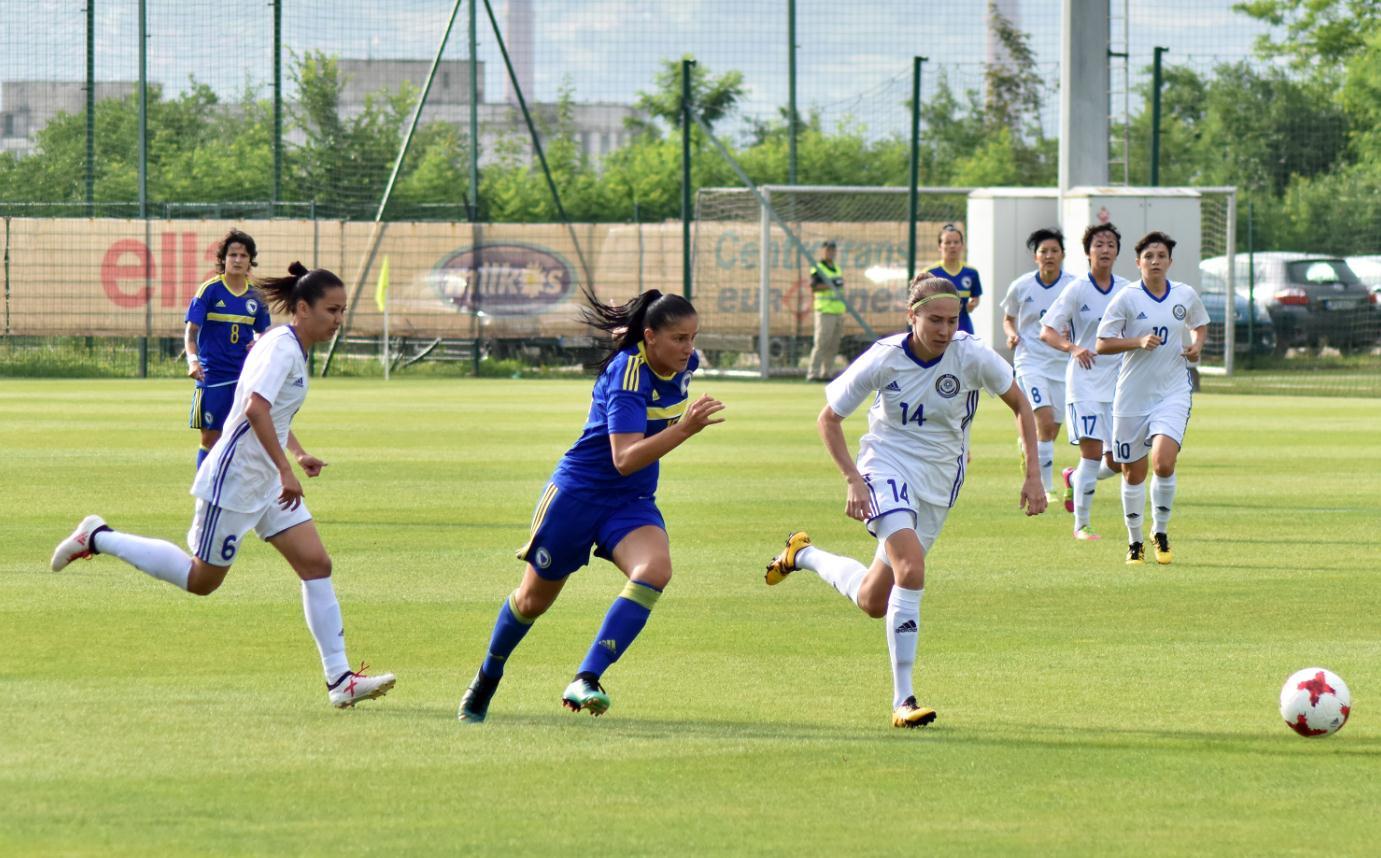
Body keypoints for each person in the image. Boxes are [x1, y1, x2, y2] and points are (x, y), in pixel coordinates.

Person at [51, 262, 396, 709]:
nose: (338, 320)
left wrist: (297, 454)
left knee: (316, 564)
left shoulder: (290, 345)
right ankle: (98, 536)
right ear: (303, 308)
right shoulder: (282, 349)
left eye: (343, 310)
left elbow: (269, 411)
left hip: (267, 479)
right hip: (236, 477)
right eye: (332, 310)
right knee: (201, 580)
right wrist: (287, 470)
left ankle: (340, 681)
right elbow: (254, 408)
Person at [764, 276, 1046, 729]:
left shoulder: (972, 354)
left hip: (938, 483)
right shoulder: (885, 358)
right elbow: (829, 418)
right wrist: (853, 480)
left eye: (952, 320)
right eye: (934, 319)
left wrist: (1033, 475)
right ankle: (904, 700)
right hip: (884, 466)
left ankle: (804, 555)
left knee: (875, 600)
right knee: (911, 568)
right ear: (910, 316)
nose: (944, 329)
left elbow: (1021, 406)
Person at [457, 289, 725, 723]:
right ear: (652, 337)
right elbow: (624, 459)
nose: (689, 349)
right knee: (531, 602)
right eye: (678, 338)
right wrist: (685, 429)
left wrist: (637, 335)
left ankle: (586, 677)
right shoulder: (627, 376)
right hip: (577, 496)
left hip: (630, 501)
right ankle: (487, 677)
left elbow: (644, 344)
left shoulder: (680, 361)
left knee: (655, 571)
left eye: (692, 337)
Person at [1095, 231, 1208, 566]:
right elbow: (1102, 343)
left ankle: (1160, 531)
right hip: (1131, 396)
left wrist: (1196, 346)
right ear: (1138, 262)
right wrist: (1136, 341)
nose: (1155, 261)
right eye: (1149, 256)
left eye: (1161, 256)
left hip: (1172, 392)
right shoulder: (1126, 298)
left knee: (1163, 462)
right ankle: (1134, 540)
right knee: (1132, 472)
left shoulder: (1184, 294)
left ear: (1170, 261)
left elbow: (1199, 324)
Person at [1039, 223, 1131, 540]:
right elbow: (1047, 330)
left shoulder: (1127, 288)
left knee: (1119, 461)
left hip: (1120, 384)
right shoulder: (1077, 289)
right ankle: (1082, 524)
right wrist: (1072, 347)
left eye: (1110, 244)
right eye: (1098, 244)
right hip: (1085, 381)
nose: (1104, 250)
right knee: (1091, 455)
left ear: (1117, 252)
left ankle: (1073, 478)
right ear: (1088, 252)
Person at [185, 229, 272, 471]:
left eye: (243, 255)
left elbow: (263, 332)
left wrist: (259, 341)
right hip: (213, 376)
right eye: (233, 254)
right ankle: (205, 491)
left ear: (250, 260)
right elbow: (191, 331)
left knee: (244, 439)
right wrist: (193, 361)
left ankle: (233, 490)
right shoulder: (209, 290)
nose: (237, 259)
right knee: (210, 439)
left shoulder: (256, 296)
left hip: (245, 377)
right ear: (223, 259)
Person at [1001, 228, 1076, 509]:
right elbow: (1008, 318)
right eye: (1044, 251)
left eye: (1054, 251)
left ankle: (1027, 450)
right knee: (1043, 420)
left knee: (1051, 430)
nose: (1049, 256)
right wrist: (1011, 333)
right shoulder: (1021, 286)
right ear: (1035, 257)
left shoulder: (1073, 285)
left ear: (1063, 255)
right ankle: (1046, 487)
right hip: (1030, 360)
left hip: (1061, 363)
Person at [925, 224, 983, 335]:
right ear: (939, 246)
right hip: (938, 332)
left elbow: (975, 298)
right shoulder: (930, 273)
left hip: (964, 329)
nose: (952, 246)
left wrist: (973, 304)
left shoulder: (971, 273)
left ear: (962, 245)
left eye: (956, 242)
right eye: (947, 242)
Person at [806, 240, 846, 382]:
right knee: (821, 343)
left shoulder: (836, 267)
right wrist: (830, 285)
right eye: (828, 250)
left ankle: (827, 372)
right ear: (823, 251)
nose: (831, 253)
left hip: (838, 310)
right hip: (825, 311)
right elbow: (814, 286)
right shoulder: (818, 268)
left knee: (833, 345)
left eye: (833, 250)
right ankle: (813, 373)